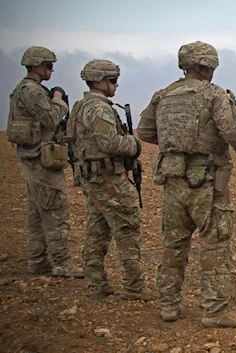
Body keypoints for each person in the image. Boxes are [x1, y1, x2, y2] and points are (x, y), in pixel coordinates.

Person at [138, 41, 236, 327]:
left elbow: (145, 131)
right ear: (205, 67)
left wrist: (174, 145)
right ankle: (215, 311)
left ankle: (169, 306)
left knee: (173, 244)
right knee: (214, 244)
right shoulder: (214, 95)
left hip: (174, 181)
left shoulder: (162, 95)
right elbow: (235, 136)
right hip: (206, 182)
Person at [69, 59, 151, 300]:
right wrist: (134, 144)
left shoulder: (81, 106)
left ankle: (96, 284)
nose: (116, 85)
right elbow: (110, 142)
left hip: (93, 177)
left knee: (98, 228)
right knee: (126, 228)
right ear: (98, 81)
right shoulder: (99, 108)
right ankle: (134, 286)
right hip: (107, 179)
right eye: (112, 80)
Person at [7, 46, 83, 278]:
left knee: (37, 211)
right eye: (48, 66)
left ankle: (38, 260)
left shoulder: (22, 89)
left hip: (34, 156)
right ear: (37, 65)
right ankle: (62, 262)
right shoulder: (32, 91)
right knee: (55, 209)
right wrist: (59, 100)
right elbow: (50, 118)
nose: (51, 70)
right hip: (42, 157)